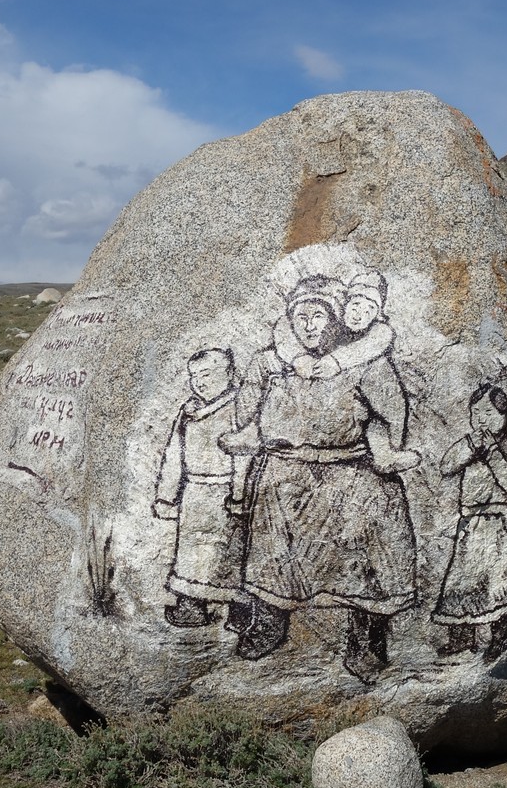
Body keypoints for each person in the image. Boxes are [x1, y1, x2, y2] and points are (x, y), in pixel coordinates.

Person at [223, 274, 418, 682]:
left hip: (350, 467)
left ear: (335, 319)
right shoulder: (270, 362)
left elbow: (393, 411)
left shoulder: (366, 363)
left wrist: (385, 446)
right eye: (301, 316)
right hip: (287, 468)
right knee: (272, 523)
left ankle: (368, 635)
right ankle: (269, 621)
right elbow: (247, 410)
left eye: (319, 315)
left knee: (376, 513)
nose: (309, 325)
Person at [266, 268, 419, 473]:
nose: (359, 316)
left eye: (369, 310)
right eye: (355, 306)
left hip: (351, 462)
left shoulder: (373, 345)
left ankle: (385, 453)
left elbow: (382, 338)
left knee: (379, 415)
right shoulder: (284, 348)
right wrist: (298, 358)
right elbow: (283, 326)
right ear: (344, 306)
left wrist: (338, 361)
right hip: (286, 462)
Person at [152, 347, 247, 628]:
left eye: (207, 374)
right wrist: (166, 496)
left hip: (227, 492)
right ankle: (191, 605)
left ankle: (240, 612)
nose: (200, 382)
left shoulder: (240, 407)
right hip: (194, 492)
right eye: (194, 376)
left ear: (229, 374)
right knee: (191, 553)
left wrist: (241, 494)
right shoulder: (188, 411)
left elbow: (245, 454)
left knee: (231, 553)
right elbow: (173, 456)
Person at [432, 383, 507, 661]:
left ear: (504, 415)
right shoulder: (470, 443)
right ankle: (461, 637)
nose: (480, 420)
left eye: (487, 412)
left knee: (500, 583)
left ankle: (499, 638)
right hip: (471, 522)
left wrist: (494, 453)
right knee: (463, 581)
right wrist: (471, 447)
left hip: (501, 523)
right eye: (475, 413)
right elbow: (446, 466)